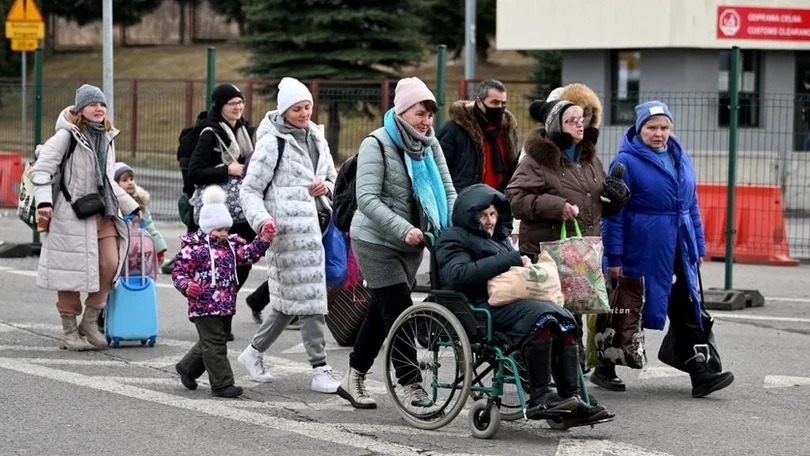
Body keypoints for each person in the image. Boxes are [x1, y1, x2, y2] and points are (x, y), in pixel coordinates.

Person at [435, 184, 612, 424]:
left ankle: (571, 396)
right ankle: (540, 396)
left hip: (511, 302)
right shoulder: (453, 238)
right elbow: (457, 275)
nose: (489, 221)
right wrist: (508, 260)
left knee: (563, 317)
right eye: (483, 215)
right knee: (542, 317)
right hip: (479, 307)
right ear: (470, 215)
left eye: (493, 214)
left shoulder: (500, 238)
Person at [337, 77, 457, 409]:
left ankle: (353, 376)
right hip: (374, 239)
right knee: (399, 310)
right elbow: (366, 198)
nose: (427, 121)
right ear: (402, 110)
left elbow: (447, 190)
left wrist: (454, 225)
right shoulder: (376, 143)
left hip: (412, 243)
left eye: (431, 114)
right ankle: (411, 384)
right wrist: (403, 228)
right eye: (421, 113)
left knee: (381, 311)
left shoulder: (430, 144)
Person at [601, 101, 735, 398]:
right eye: (652, 128)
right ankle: (604, 365)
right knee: (629, 309)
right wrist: (614, 256)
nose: (659, 134)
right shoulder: (625, 162)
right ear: (639, 129)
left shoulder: (680, 156)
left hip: (678, 245)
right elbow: (613, 215)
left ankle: (700, 373)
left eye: (664, 127)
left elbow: (692, 205)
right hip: (642, 247)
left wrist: (697, 245)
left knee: (684, 305)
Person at [506, 95, 628, 386]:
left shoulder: (588, 158)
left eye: (581, 119)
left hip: (582, 254)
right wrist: (555, 206)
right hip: (546, 253)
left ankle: (570, 386)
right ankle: (543, 380)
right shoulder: (537, 158)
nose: (579, 124)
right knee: (550, 318)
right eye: (571, 120)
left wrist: (616, 199)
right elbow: (515, 198)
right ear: (556, 125)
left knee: (574, 317)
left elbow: (597, 203)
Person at [237, 77, 342, 394]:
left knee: (286, 305)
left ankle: (253, 352)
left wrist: (327, 188)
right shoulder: (273, 144)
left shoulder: (318, 140)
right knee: (312, 303)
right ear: (283, 111)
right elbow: (250, 190)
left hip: (315, 233)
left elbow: (333, 180)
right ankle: (320, 368)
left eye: (307, 106)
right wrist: (264, 222)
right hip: (286, 236)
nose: (304, 113)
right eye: (297, 108)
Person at [30, 84, 142, 351]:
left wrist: (131, 206)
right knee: (70, 272)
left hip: (103, 213)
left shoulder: (105, 137)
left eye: (102, 104)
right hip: (71, 215)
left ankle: (89, 322)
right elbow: (41, 171)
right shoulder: (65, 136)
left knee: (111, 263)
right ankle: (69, 331)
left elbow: (107, 179)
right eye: (93, 104)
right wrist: (44, 202)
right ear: (80, 109)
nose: (99, 108)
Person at [173, 186, 275, 398]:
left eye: (226, 229)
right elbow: (179, 272)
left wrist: (263, 239)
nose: (223, 234)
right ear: (207, 227)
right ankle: (222, 383)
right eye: (218, 230)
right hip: (202, 303)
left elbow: (247, 254)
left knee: (212, 340)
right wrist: (187, 286)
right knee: (215, 342)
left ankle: (187, 367)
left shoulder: (229, 246)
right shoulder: (194, 248)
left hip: (225, 303)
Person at [187, 83, 256, 327]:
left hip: (242, 209)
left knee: (244, 261)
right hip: (219, 211)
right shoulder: (210, 133)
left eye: (240, 102)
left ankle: (224, 307)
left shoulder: (244, 130)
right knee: (216, 267)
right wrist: (226, 169)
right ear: (220, 106)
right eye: (232, 103)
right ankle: (218, 319)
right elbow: (195, 172)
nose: (238, 107)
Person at [437, 79, 518, 193]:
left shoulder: (508, 132)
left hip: (500, 203)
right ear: (479, 102)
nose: (500, 107)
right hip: (467, 203)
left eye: (503, 103)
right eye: (495, 102)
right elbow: (440, 172)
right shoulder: (454, 130)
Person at [113, 162, 168, 264]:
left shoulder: (139, 204)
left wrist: (159, 248)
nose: (130, 182)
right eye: (124, 180)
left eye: (131, 179)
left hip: (139, 249)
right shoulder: (114, 205)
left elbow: (149, 226)